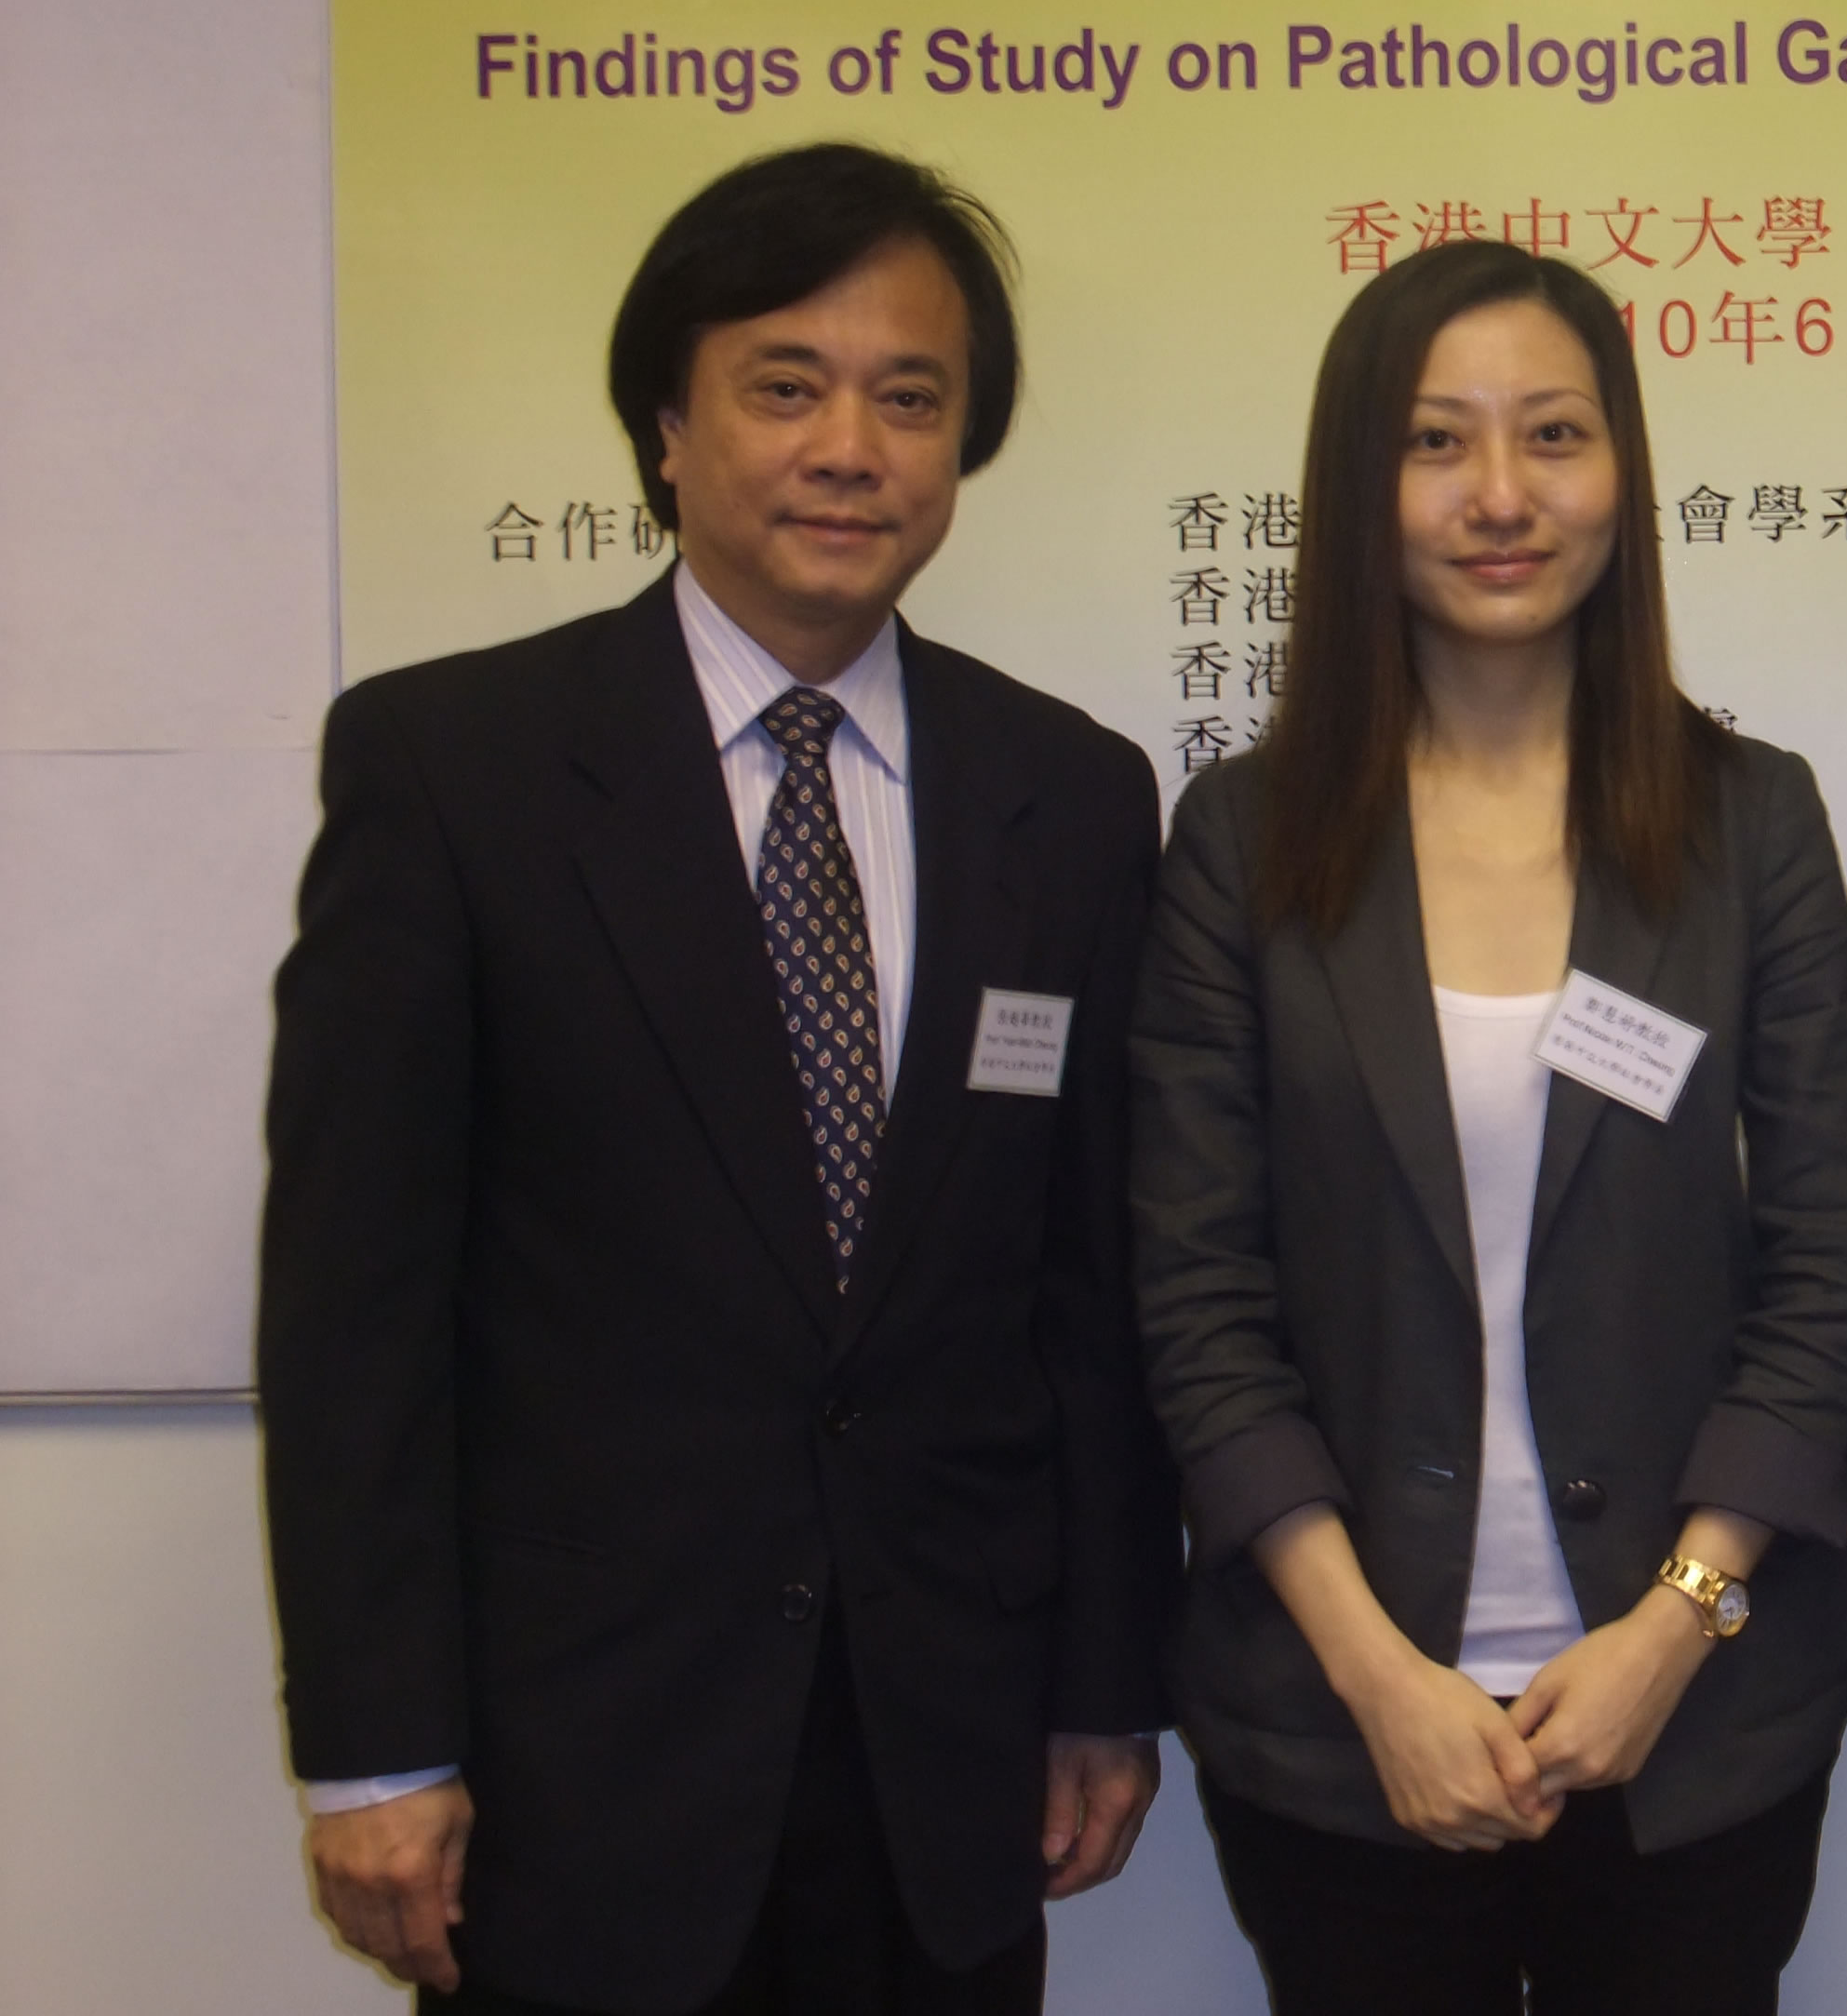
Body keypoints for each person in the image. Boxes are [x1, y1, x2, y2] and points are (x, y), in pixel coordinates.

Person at [259, 143, 1176, 2016]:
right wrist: (374, 1750)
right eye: (785, 384)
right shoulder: (459, 771)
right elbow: (355, 1309)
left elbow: (1088, 1299)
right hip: (576, 1776)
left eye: (908, 399)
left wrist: (1102, 1680)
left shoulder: (1068, 798)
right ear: (666, 429)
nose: (850, 446)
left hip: (951, 1768)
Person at [1128, 239, 1847, 2016]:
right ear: (1356, 486)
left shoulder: (1747, 824)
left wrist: (1671, 1630)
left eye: (1552, 435)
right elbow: (1197, 1295)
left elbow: (1824, 1264)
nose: (1499, 496)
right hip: (1341, 1733)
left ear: (1620, 472)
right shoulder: (1243, 846)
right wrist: (1380, 1678)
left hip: (1692, 1729)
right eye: (1434, 442)